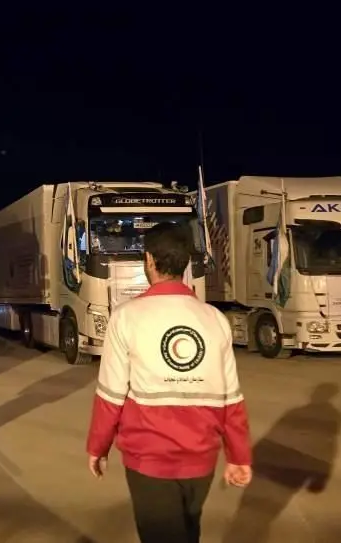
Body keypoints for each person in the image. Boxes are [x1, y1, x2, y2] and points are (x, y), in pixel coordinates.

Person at [85, 222, 253, 543]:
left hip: (150, 459)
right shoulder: (214, 319)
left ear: (149, 260)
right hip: (202, 460)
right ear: (186, 261)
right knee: (188, 533)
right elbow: (231, 398)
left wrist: (98, 447)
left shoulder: (127, 317)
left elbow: (110, 395)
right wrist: (238, 455)